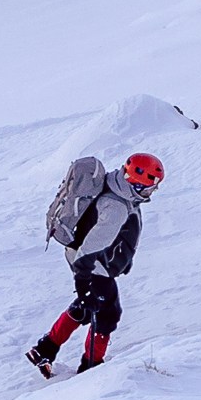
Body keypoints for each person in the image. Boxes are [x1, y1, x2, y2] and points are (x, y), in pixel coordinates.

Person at [32, 152, 161, 375]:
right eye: (151, 187)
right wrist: (83, 277)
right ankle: (91, 368)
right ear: (137, 185)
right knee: (107, 314)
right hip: (92, 266)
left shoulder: (119, 189)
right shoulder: (116, 207)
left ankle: (44, 349)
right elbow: (92, 245)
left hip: (93, 263)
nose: (153, 191)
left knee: (87, 306)